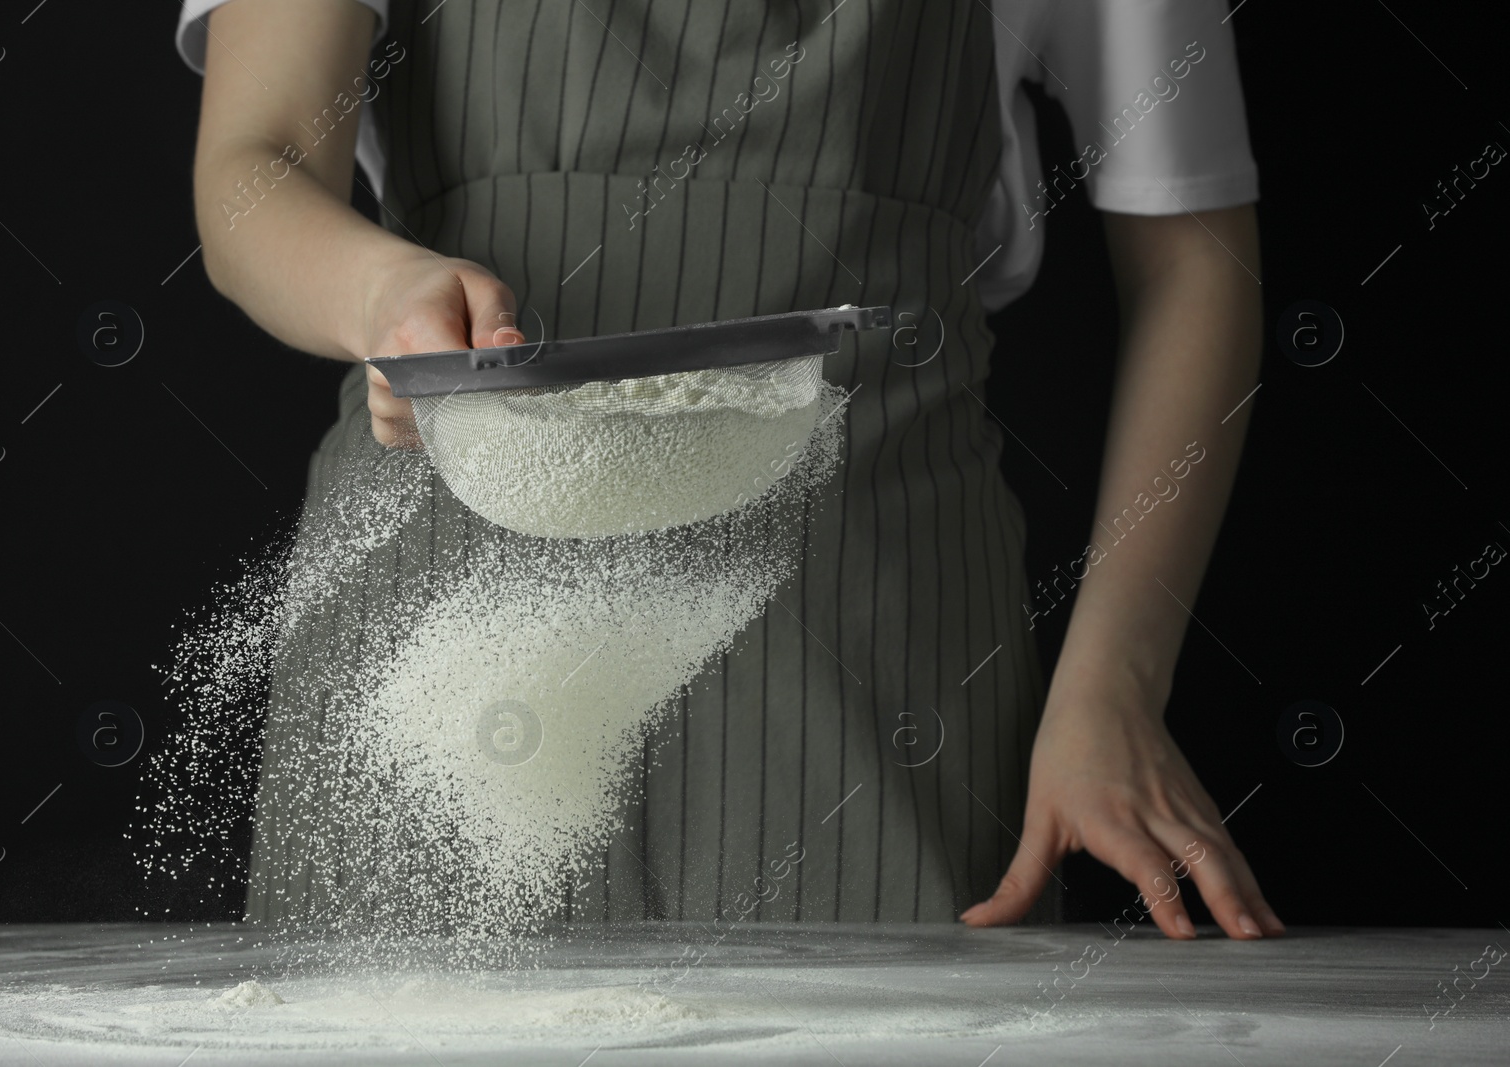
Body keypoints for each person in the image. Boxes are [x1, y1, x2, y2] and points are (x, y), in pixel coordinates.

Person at [178, 0, 1283, 940]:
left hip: (878, 644)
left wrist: (1113, 691)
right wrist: (380, 297)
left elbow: (1195, 259)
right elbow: (251, 165)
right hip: (444, 641)